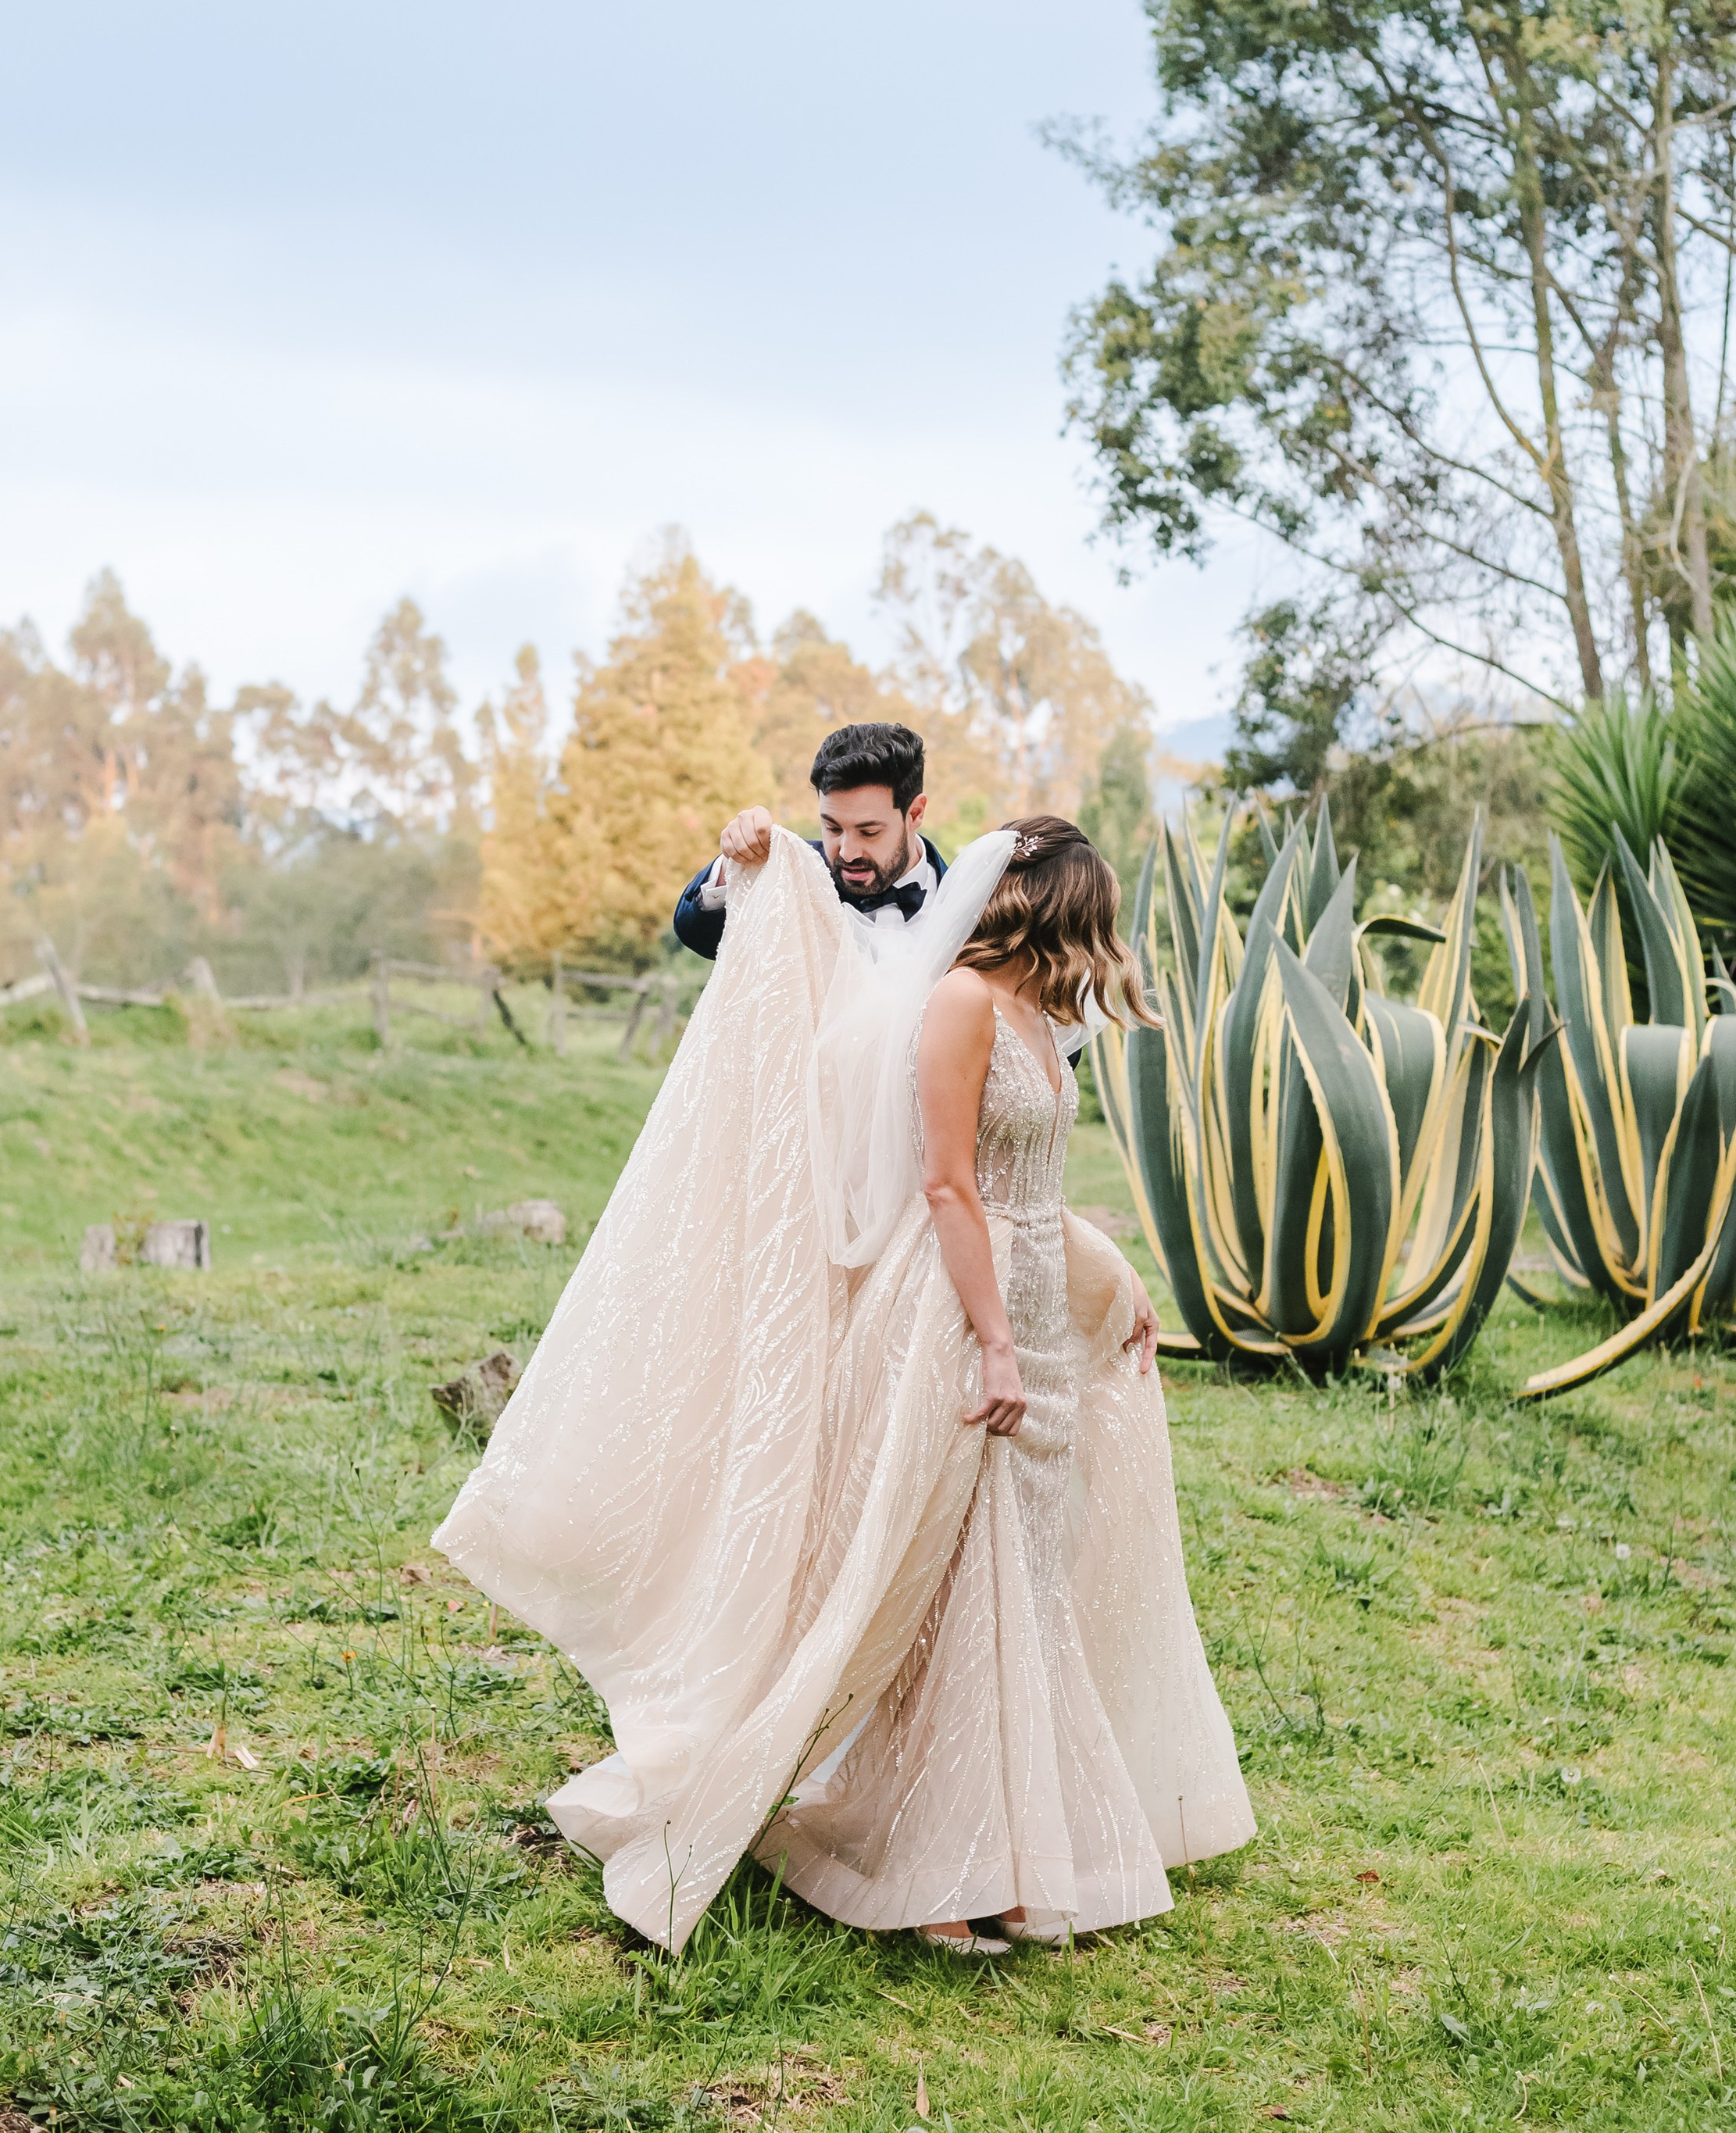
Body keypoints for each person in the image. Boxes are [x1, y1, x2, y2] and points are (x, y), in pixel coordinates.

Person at [433, 810, 1252, 1954]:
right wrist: (995, 1344)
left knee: (1022, 1581)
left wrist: (1107, 1285)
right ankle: (936, 1870)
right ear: (1056, 907)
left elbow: (1037, 1185)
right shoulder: (962, 1004)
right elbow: (951, 1186)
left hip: (1023, 1303)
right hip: (952, 1314)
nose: (1098, 940)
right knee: (942, 1579)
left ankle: (1003, 1853)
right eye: (1091, 916)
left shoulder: (1035, 1015)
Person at [673, 719, 945, 956]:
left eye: (869, 832)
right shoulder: (792, 870)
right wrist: (733, 863)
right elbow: (698, 935)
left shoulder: (967, 901)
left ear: (915, 813)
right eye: (833, 828)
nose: (847, 852)